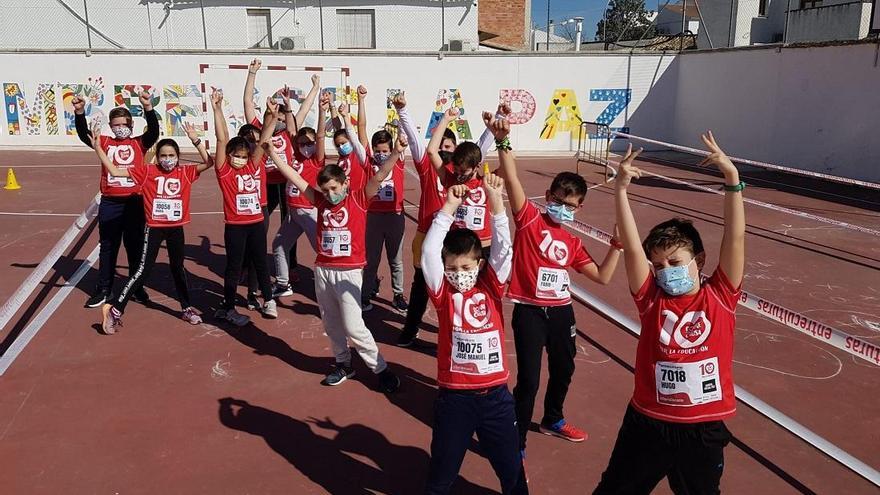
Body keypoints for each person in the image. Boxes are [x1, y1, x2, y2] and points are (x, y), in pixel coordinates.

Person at [594, 132, 745, 494]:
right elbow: (632, 248)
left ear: (699, 261)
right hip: (648, 424)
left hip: (703, 429)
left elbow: (735, 238)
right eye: (659, 265)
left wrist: (731, 180)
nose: (666, 271)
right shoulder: (650, 299)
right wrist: (620, 190)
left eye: (675, 262)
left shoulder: (722, 295)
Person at [487, 114, 622, 451]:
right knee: (529, 381)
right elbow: (513, 180)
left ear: (580, 207)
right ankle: (515, 442)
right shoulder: (530, 219)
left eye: (570, 205)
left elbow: (603, 277)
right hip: (530, 313)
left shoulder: (573, 244)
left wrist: (617, 247)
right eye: (558, 201)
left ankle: (553, 419)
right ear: (548, 196)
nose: (563, 208)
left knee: (564, 370)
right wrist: (503, 140)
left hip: (561, 313)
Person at [263, 101, 404, 393]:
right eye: (325, 189)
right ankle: (343, 363)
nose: (331, 193)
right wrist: (273, 155)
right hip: (324, 270)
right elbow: (293, 174)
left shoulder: (358, 199)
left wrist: (397, 154)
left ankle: (381, 369)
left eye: (334, 188)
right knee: (331, 324)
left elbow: (378, 176)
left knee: (354, 326)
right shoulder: (320, 201)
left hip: (351, 272)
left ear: (344, 183)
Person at [421, 162, 528, 494]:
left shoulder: (491, 287)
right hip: (455, 399)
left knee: (511, 473)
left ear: (479, 265)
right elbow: (428, 253)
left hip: (496, 398)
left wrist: (497, 202)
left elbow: (504, 250)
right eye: (452, 267)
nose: (459, 273)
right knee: (441, 474)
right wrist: (448, 208)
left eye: (466, 266)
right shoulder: (443, 294)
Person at [396, 100, 499, 346]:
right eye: (443, 147)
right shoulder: (441, 174)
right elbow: (429, 149)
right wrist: (445, 118)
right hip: (436, 239)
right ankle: (412, 329)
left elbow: (483, 150)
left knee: (473, 291)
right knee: (423, 285)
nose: (445, 151)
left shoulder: (475, 178)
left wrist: (494, 128)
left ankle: (473, 333)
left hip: (470, 245)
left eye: (449, 147)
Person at [94, 123, 214, 334]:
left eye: (172, 155)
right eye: (163, 155)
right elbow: (114, 170)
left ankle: (186, 308)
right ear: (157, 157)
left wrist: (196, 140)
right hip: (154, 228)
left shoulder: (185, 173)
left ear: (178, 156)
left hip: (176, 228)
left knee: (178, 268)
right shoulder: (147, 172)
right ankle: (115, 310)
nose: (168, 159)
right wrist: (98, 148)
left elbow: (209, 162)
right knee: (143, 270)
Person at [73, 91, 158, 308]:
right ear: (110, 126)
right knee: (108, 246)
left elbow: (154, 132)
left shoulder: (140, 143)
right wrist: (80, 112)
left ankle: (136, 287)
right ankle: (104, 289)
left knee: (135, 247)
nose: (120, 127)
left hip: (134, 202)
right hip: (110, 202)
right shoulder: (105, 142)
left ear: (131, 125)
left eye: (124, 124)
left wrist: (148, 107)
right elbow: (84, 135)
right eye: (116, 124)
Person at [210, 91, 278, 326]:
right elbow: (221, 139)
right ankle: (228, 307)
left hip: (256, 223)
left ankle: (268, 300)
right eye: (236, 156)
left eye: (243, 155)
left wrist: (272, 117)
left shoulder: (252, 165)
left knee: (261, 262)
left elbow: (262, 140)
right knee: (234, 266)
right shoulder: (225, 171)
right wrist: (217, 108)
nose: (240, 159)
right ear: (229, 156)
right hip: (235, 227)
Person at [271, 91, 330, 297]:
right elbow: (291, 129)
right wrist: (287, 106)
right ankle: (282, 284)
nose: (306, 146)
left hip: (309, 212)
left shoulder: (316, 159)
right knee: (279, 245)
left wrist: (323, 112)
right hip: (294, 213)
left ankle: (332, 287)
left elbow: (321, 135)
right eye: (302, 143)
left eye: (309, 143)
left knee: (323, 251)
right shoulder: (295, 154)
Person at [356, 85, 408, 314]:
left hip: (395, 217)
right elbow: (361, 128)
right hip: (374, 218)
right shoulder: (369, 164)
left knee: (396, 260)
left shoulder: (398, 160)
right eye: (377, 150)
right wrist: (361, 100)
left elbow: (402, 134)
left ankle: (398, 295)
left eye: (385, 150)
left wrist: (400, 110)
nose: (381, 154)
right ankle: (366, 292)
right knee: (372, 260)